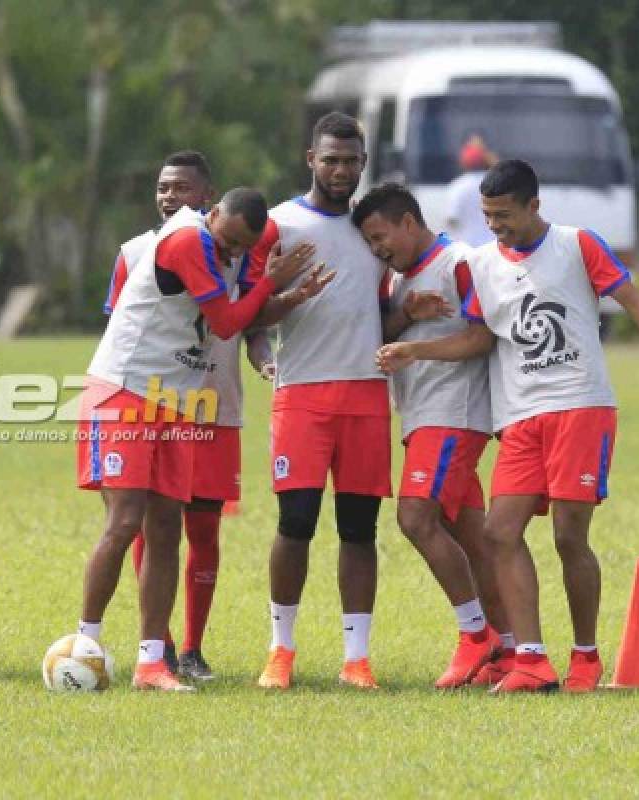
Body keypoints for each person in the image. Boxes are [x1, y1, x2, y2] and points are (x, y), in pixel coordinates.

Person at [377, 159, 639, 693]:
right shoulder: (482, 264)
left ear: (534, 205)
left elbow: (634, 300)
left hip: (580, 407)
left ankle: (586, 657)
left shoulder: (578, 245)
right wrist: (418, 348)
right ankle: (531, 660)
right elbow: (480, 339)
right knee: (499, 532)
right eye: (487, 216)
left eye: (504, 215)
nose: (495, 226)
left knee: (569, 537)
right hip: (520, 417)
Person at [76, 188, 325, 691]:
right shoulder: (188, 240)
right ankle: (86, 643)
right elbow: (228, 321)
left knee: (167, 526)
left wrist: (290, 293)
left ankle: (151, 664)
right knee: (125, 522)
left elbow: (251, 307)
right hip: (125, 389)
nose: (235, 253)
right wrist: (273, 281)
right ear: (214, 215)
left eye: (243, 248)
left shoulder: (228, 245)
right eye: (231, 240)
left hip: (176, 401)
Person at [103, 150, 262, 681]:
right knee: (141, 525)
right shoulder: (135, 251)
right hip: (149, 398)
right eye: (163, 187)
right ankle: (158, 648)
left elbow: (248, 319)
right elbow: (125, 327)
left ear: (208, 198)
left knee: (200, 526)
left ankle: (191, 649)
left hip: (213, 405)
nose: (171, 196)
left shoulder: (236, 250)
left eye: (183, 188)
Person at [249, 112, 392, 690]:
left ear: (363, 163)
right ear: (311, 159)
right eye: (330, 159)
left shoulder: (373, 229)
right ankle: (280, 650)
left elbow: (387, 303)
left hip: (366, 394)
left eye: (351, 160)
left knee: (359, 529)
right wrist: (280, 315)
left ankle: (356, 658)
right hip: (303, 395)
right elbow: (247, 315)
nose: (340, 169)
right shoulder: (280, 225)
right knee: (296, 523)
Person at [352, 183, 509, 688]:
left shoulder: (460, 262)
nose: (378, 249)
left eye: (381, 236)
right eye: (370, 242)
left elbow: (481, 337)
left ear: (409, 222)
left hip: (453, 414)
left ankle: (474, 635)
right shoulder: (398, 282)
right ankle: (506, 651)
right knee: (473, 539)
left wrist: (415, 352)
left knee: (415, 517)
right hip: (421, 415)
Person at [445, 135, 496, 247]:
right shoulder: (497, 183)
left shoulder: (458, 187)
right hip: (494, 249)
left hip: (468, 249)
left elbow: (452, 219)